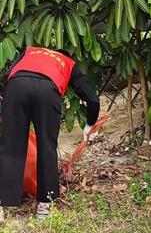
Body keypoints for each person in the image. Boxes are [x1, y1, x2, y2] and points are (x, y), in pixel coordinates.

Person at [0, 46, 100, 221]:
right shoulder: (68, 63)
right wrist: (89, 125)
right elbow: (92, 99)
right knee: (47, 145)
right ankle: (44, 206)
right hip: (47, 90)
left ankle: (4, 203)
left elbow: (8, 74)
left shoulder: (30, 51)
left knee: (11, 147)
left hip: (17, 85)